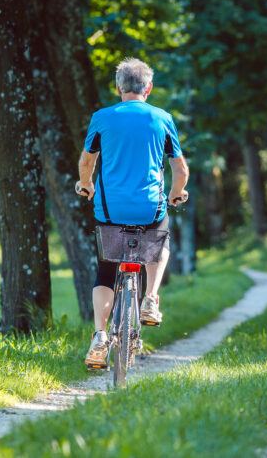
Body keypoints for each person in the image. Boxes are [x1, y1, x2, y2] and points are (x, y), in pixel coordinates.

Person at [75, 58, 189, 368]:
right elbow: (179, 168)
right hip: (149, 208)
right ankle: (150, 298)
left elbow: (87, 163)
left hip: (110, 210)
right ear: (149, 88)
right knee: (159, 242)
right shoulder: (162, 118)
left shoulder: (102, 117)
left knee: (106, 271)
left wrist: (86, 186)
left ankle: (100, 335)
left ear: (118, 87)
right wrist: (176, 193)